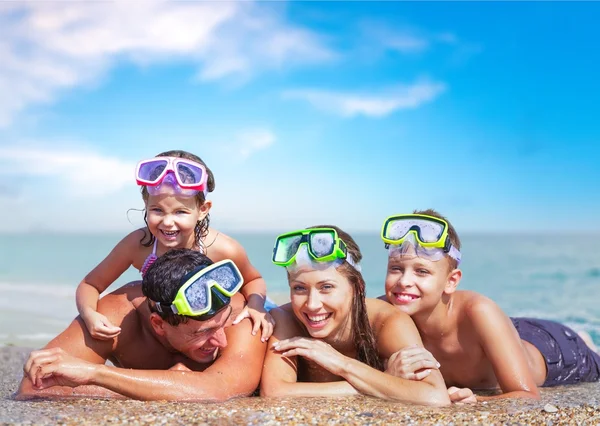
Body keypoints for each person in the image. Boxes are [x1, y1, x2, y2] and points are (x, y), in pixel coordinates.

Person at [379, 209, 600, 402]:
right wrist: (388, 376)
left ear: (451, 281)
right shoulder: (383, 312)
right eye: (396, 268)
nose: (404, 281)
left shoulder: (478, 310)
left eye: (422, 271)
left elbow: (526, 395)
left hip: (558, 352)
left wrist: (477, 401)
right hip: (506, 330)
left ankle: (587, 343)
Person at [76, 150, 274, 342]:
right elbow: (91, 284)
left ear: (203, 210)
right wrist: (89, 314)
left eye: (180, 212)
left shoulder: (221, 248)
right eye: (157, 210)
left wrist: (257, 307)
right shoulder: (138, 245)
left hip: (216, 323)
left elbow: (253, 280)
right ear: (146, 204)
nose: (168, 222)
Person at [17, 249, 266, 401]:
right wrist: (167, 386)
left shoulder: (241, 314)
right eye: (204, 332)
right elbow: (34, 387)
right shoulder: (114, 318)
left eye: (221, 325)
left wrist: (96, 375)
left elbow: (219, 389)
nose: (222, 341)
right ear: (158, 324)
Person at [259, 226, 450, 406]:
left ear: (357, 287)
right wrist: (382, 379)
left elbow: (435, 396)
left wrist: (341, 364)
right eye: (299, 288)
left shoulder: (387, 321)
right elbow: (274, 392)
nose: (312, 304)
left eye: (326, 287)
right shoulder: (285, 318)